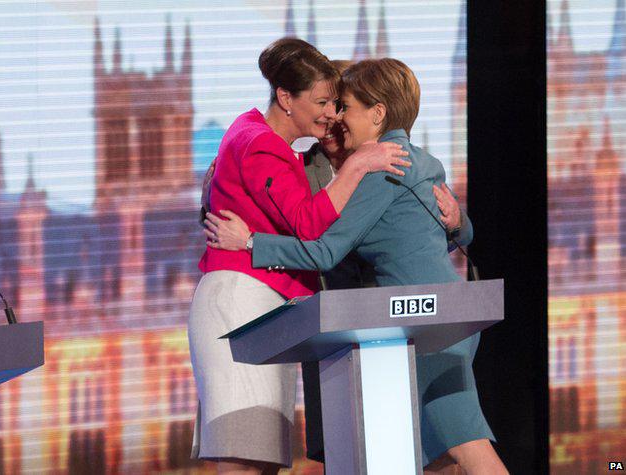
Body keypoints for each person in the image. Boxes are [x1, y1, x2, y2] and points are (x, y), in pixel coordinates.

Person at [204, 58, 508, 474]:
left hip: (412, 327)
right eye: (330, 106)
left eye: (343, 107)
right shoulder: (326, 164)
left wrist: (458, 220)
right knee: (428, 447)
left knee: (457, 446)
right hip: (354, 337)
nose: (336, 119)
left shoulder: (383, 166)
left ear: (376, 112)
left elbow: (326, 248)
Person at [189, 38, 410, 473]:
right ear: (286, 98)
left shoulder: (261, 138)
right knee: (244, 458)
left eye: (336, 103)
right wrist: (359, 164)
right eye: (323, 101)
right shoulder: (261, 143)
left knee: (262, 459)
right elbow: (309, 223)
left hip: (266, 312)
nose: (331, 113)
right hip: (240, 310)